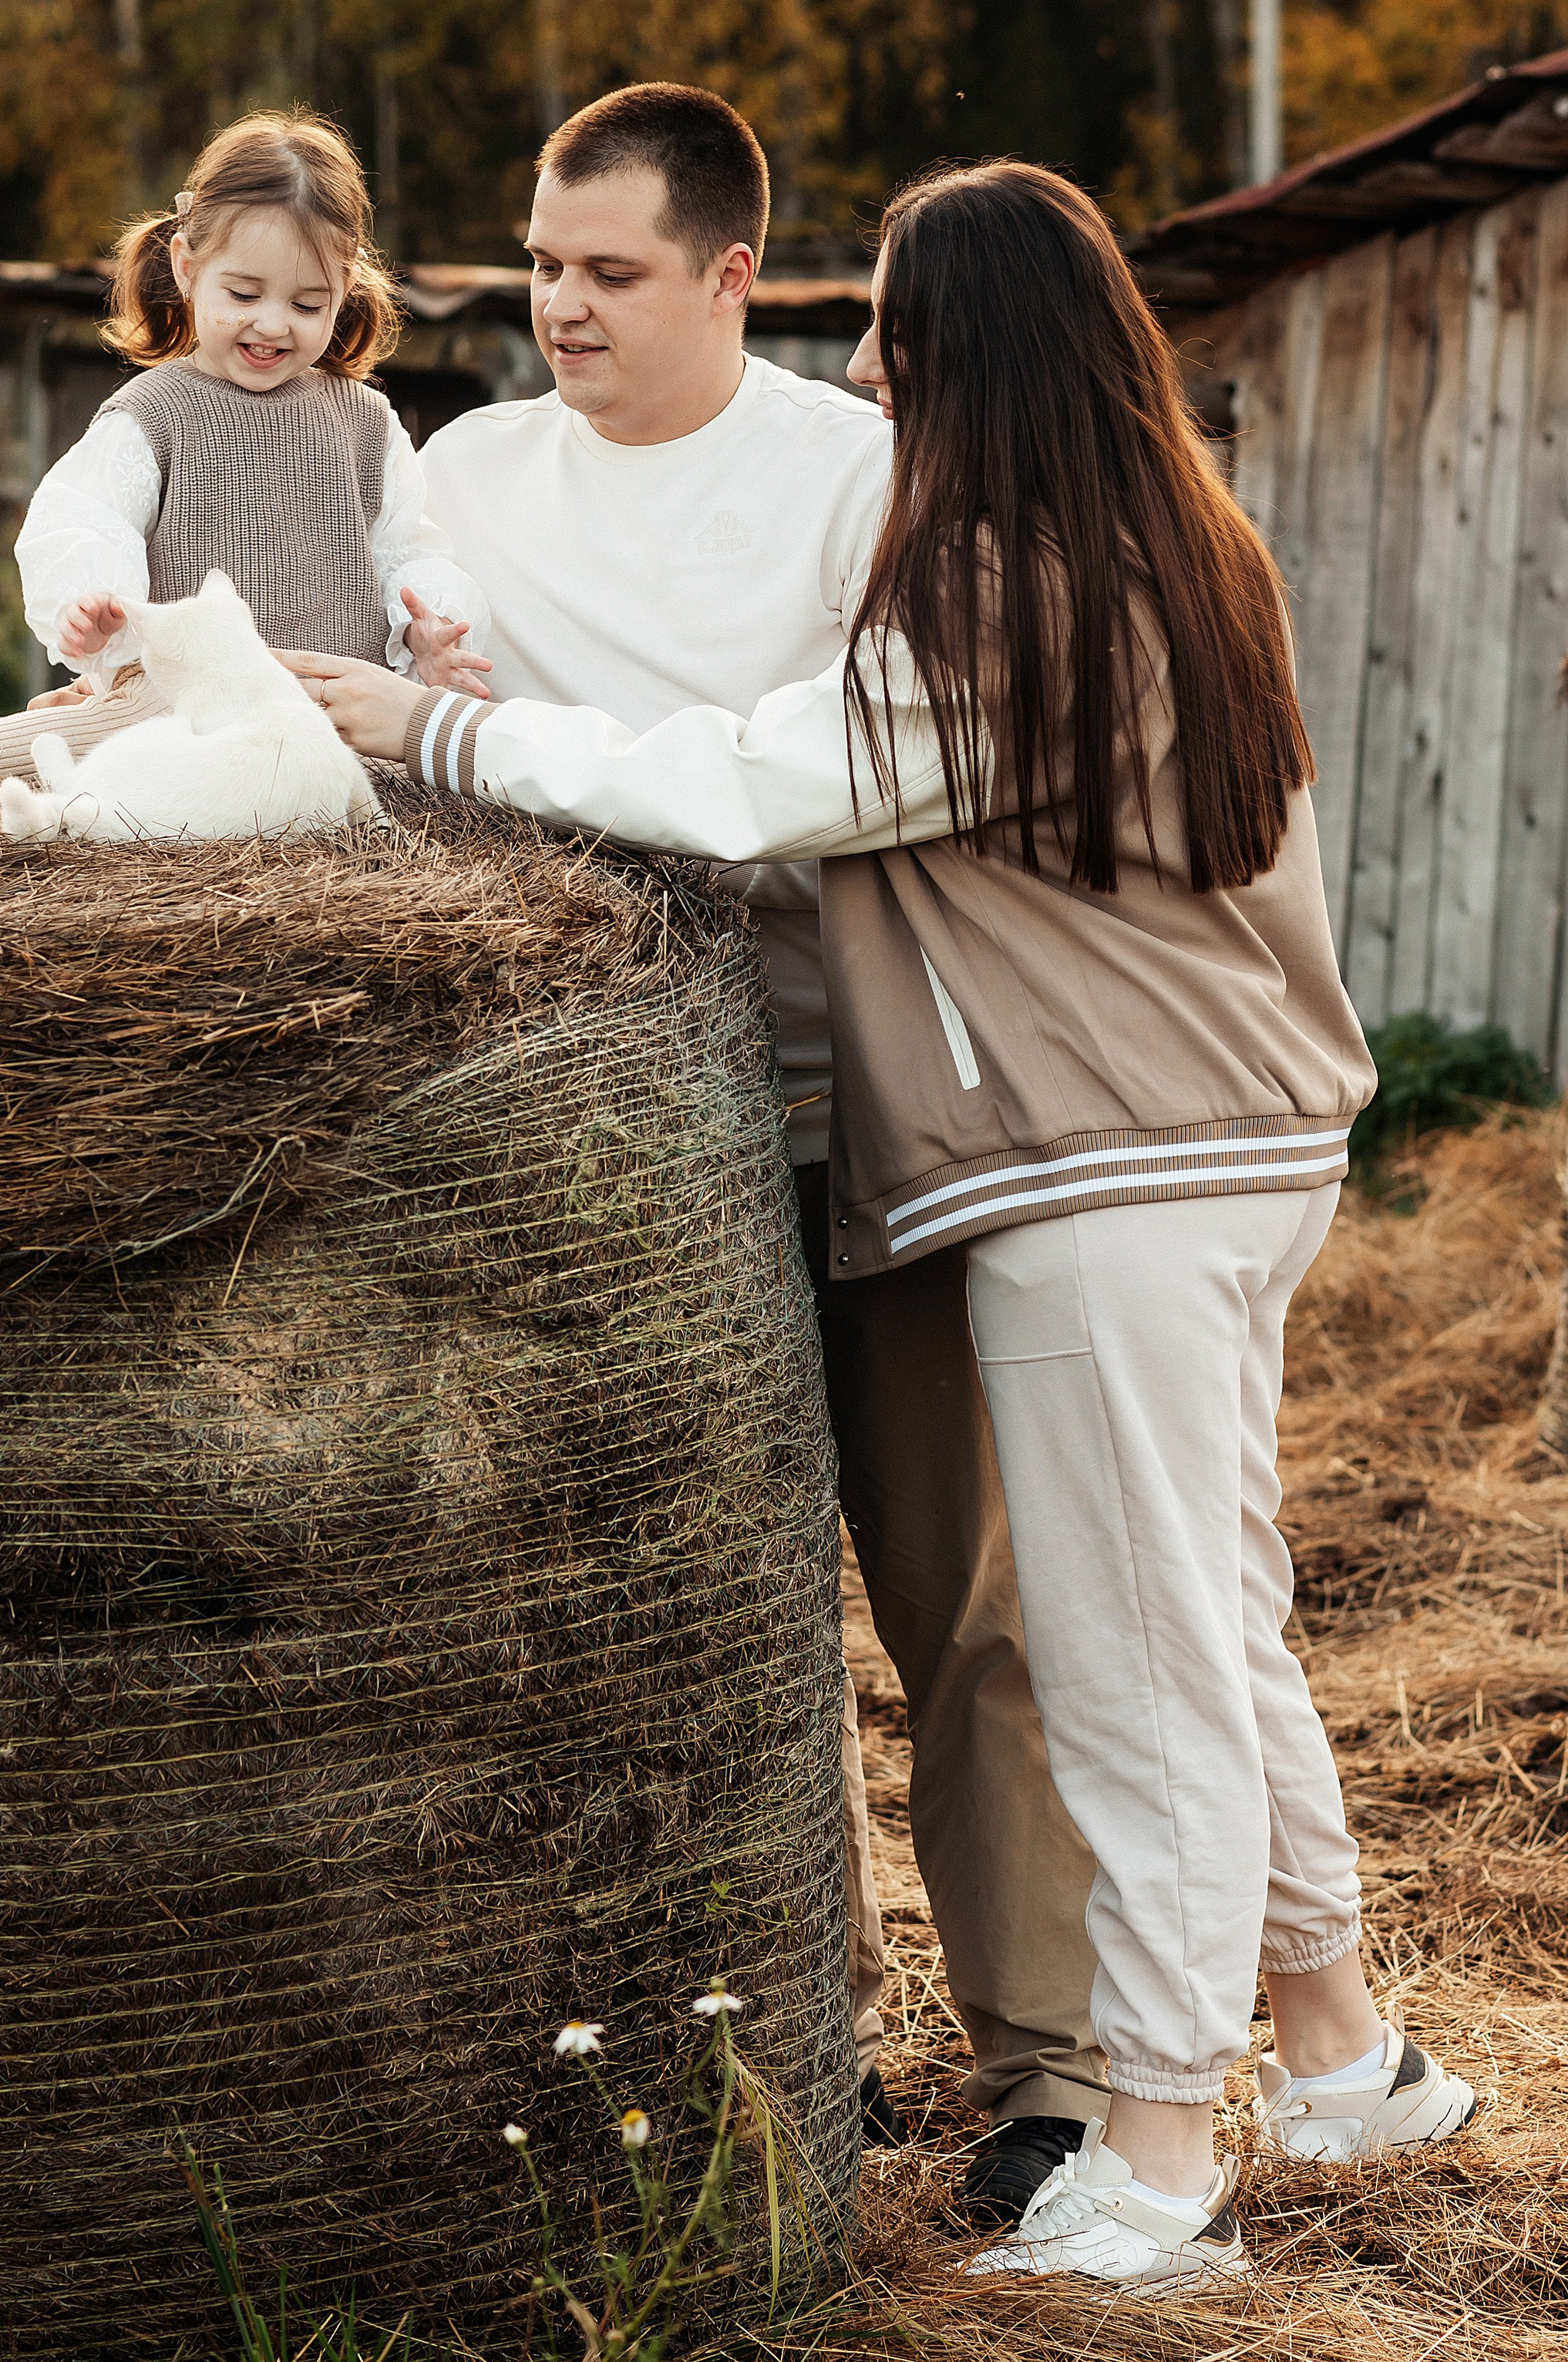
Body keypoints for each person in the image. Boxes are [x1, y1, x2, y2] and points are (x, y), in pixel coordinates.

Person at [291, 158, 1479, 2297]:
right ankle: (1340, 2051)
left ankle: (1153, 2149)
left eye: (897, 331)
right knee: (1220, 1616)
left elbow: (758, 782)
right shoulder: (1178, 545)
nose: (864, 367)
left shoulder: (1009, 604)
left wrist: (429, 723)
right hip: (1239, 1150)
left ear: (976, 355)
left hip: (1103, 1172)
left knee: (1131, 1673)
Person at [350, 86, 1109, 2216]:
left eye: (607, 273)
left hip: (854, 1104)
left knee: (954, 1604)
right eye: (537, 265)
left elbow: (833, 776)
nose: (558, 308)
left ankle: (1050, 2074)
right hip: (587, 1152)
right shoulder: (463, 472)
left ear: (732, 279)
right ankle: (778, 2042)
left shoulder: (861, 478)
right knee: (667, 1618)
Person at [0, 110, 488, 790]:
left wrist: (422, 637)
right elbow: (85, 520)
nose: (273, 323)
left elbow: (409, 552)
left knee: (435, 767)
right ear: (188, 267)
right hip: (184, 705)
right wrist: (93, 603)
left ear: (345, 292)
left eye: (309, 305)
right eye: (244, 293)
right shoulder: (154, 415)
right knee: (54, 745)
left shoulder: (366, 424)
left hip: (329, 708)